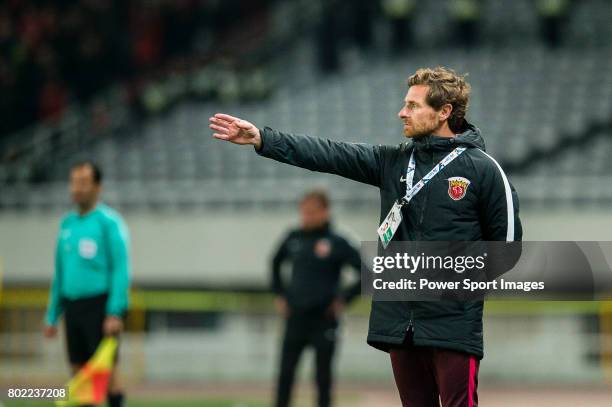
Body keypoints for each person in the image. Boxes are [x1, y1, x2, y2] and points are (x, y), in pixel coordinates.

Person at [209, 66, 522, 407]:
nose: (401, 112)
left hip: (453, 323)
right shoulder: (393, 163)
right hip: (400, 322)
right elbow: (329, 154)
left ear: (444, 111)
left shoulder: (484, 169)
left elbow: (506, 250)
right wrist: (263, 139)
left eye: (413, 105)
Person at [43, 161, 130, 407]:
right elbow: (60, 273)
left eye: (83, 183)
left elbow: (120, 270)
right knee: (79, 374)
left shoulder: (109, 223)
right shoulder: (67, 224)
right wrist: (52, 315)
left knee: (107, 374)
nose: (76, 189)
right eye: (73, 182)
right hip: (73, 307)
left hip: (100, 306)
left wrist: (114, 311)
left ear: (97, 187)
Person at [271, 190, 361, 407]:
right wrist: (280, 295)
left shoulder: (337, 241)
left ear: (325, 212)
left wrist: (344, 299)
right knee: (285, 374)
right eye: (304, 212)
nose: (307, 217)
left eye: (312, 212)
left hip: (324, 319)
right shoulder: (293, 237)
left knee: (323, 378)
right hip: (296, 317)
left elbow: (367, 271)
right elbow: (275, 263)